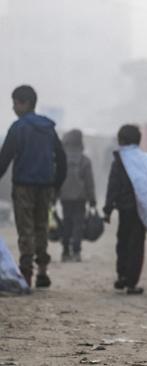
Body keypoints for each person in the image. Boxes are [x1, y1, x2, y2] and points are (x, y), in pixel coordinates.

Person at [0, 85, 67, 288]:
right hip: (46, 185)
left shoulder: (18, 127)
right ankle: (43, 272)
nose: (13, 108)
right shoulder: (48, 128)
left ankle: (26, 273)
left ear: (25, 103)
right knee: (41, 228)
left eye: (15, 103)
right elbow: (61, 158)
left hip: (23, 186)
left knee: (25, 229)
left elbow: (5, 158)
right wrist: (57, 184)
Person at [103, 124, 146, 295]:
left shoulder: (119, 162)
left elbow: (112, 187)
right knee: (136, 245)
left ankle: (121, 275)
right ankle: (131, 282)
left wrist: (107, 209)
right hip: (140, 209)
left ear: (120, 141)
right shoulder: (145, 160)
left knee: (122, 241)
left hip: (124, 209)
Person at [59, 129, 96, 262]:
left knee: (67, 222)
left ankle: (65, 252)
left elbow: (56, 179)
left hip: (64, 197)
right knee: (78, 224)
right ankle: (76, 251)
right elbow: (89, 182)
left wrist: (53, 197)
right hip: (80, 197)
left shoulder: (61, 158)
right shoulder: (85, 160)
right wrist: (92, 200)